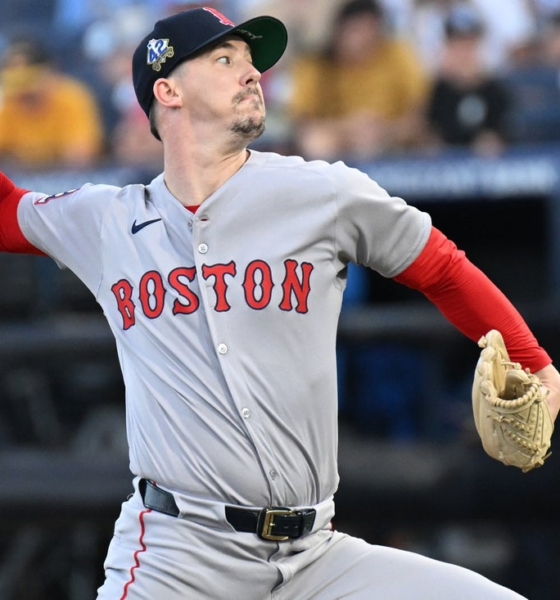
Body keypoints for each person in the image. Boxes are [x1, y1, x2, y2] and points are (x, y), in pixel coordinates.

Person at [0, 7, 558, 599]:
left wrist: (536, 361)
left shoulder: (321, 192)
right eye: (225, 60)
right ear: (168, 91)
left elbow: (442, 266)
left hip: (315, 557)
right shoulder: (105, 219)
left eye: (251, 61)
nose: (252, 73)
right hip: (176, 559)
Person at [288, 0, 429, 160]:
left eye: (371, 31)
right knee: (318, 141)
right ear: (339, 31)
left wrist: (385, 130)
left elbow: (419, 109)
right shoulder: (315, 65)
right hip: (336, 136)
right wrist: (348, 127)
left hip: (390, 138)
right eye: (356, 31)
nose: (363, 39)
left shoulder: (397, 54)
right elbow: (302, 122)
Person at [0, 38, 104, 169]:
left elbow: (81, 155)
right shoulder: (9, 102)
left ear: (49, 74)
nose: (25, 92)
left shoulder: (70, 97)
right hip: (22, 176)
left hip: (65, 177)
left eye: (28, 79)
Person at [423, 4, 513, 155]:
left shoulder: (495, 91)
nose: (464, 53)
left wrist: (495, 140)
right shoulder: (437, 91)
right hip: (447, 165)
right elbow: (428, 132)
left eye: (469, 45)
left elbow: (506, 130)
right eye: (458, 45)